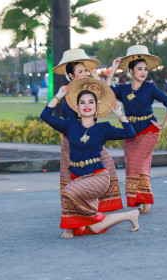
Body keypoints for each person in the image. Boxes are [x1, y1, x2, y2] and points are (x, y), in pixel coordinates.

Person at [40, 78, 139, 238]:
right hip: (78, 177)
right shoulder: (70, 124)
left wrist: (119, 113)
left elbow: (130, 133)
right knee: (94, 227)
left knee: (68, 191)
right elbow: (45, 116)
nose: (87, 106)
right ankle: (130, 215)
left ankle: (69, 227)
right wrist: (58, 95)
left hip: (98, 177)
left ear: (97, 106)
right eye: (83, 102)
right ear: (77, 107)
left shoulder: (103, 128)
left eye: (91, 102)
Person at [107, 45, 167, 214]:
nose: (143, 72)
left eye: (145, 69)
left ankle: (145, 200)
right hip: (130, 132)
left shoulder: (150, 87)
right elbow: (106, 92)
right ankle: (139, 199)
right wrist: (113, 69)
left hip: (149, 130)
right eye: (139, 69)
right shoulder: (123, 89)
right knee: (137, 164)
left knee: (136, 164)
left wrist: (165, 124)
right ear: (131, 71)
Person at [53, 49, 123, 212]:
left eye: (86, 70)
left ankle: (96, 206)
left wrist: (111, 69)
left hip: (91, 137)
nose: (85, 74)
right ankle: (77, 210)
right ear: (71, 75)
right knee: (75, 175)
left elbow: (106, 97)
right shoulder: (68, 94)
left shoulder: (88, 89)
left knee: (107, 166)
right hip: (73, 142)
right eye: (80, 71)